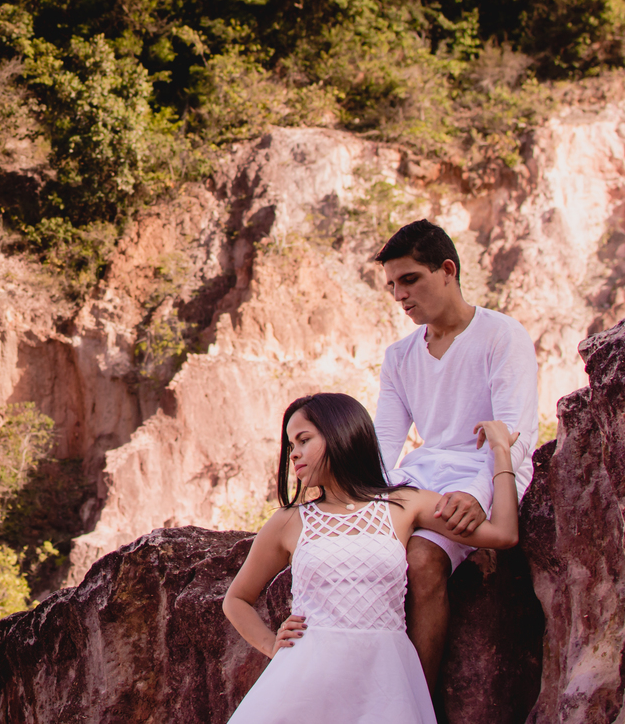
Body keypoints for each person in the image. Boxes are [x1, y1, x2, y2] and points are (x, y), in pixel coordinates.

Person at [222, 393, 520, 723]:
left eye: (304, 440)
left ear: (340, 433)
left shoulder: (404, 504)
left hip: (385, 684)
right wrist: (272, 646)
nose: (293, 454)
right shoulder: (287, 521)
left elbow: (503, 534)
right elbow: (236, 599)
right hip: (304, 682)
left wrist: (501, 453)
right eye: (291, 445)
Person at [373, 219, 539, 690]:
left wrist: (478, 493)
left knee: (422, 559)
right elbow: (385, 439)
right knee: (363, 551)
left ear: (447, 270)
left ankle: (417, 703)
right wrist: (365, 495)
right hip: (423, 475)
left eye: (410, 279)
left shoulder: (501, 334)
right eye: (392, 286)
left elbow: (516, 432)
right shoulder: (399, 356)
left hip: (487, 471)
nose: (400, 295)